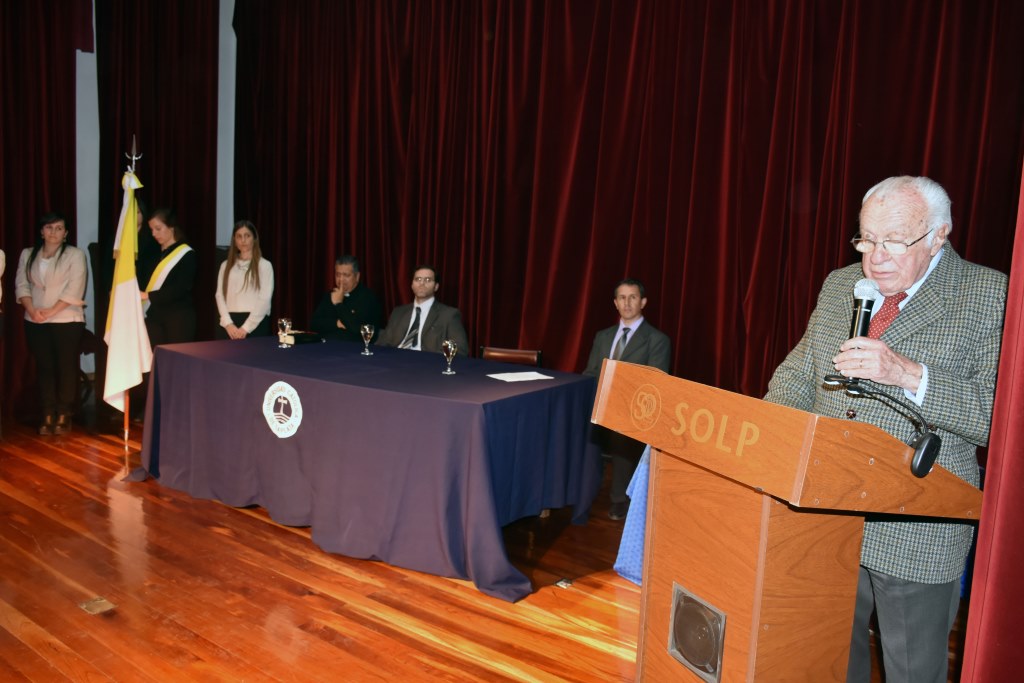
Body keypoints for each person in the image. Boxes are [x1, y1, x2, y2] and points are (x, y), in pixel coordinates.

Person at [763, 176, 1007, 683]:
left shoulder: (989, 294)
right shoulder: (841, 285)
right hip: (825, 515)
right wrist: (762, 437)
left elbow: (995, 420)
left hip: (917, 527)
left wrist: (907, 374)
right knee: (831, 664)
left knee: (912, 672)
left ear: (938, 236)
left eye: (894, 241)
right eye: (866, 239)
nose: (875, 258)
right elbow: (798, 375)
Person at [583, 278, 671, 520]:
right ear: (615, 303)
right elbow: (590, 373)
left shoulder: (657, 340)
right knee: (570, 424)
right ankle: (580, 492)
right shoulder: (603, 336)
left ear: (643, 302)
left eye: (633, 297)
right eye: (622, 298)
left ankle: (619, 499)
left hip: (633, 412)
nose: (627, 302)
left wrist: (619, 405)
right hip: (601, 407)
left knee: (620, 432)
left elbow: (655, 385)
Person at [14, 212, 88, 435]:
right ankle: (47, 412)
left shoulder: (75, 255)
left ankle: (64, 413)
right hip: (35, 318)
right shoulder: (28, 254)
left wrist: (52, 311)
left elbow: (75, 287)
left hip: (66, 318)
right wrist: (32, 310)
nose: (53, 232)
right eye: (49, 227)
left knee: (66, 366)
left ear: (65, 233)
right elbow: (21, 285)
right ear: (41, 231)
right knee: (45, 366)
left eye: (58, 228)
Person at [376, 265, 469, 355]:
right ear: (412, 285)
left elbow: (461, 348)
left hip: (427, 362)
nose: (422, 283)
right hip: (395, 359)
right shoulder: (398, 312)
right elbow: (382, 343)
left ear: (436, 286)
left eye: (428, 280)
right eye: (418, 279)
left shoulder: (449, 315)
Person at [138, 207, 198, 347]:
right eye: (152, 229)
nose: (154, 234)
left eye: (158, 229)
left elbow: (181, 287)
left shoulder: (187, 254)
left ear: (171, 226)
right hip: (154, 317)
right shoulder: (152, 253)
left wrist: (148, 295)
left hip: (178, 317)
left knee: (177, 358)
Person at [215, 220, 274, 339]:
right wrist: (228, 324)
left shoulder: (264, 265)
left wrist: (245, 328)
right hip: (229, 326)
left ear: (254, 238)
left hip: (255, 325)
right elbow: (219, 295)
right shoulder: (225, 265)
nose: (243, 240)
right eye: (239, 236)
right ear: (234, 240)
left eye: (247, 236)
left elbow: (264, 299)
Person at [310, 255, 383, 342]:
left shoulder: (368, 297)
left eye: (346, 275)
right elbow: (314, 324)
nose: (341, 280)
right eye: (338, 275)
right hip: (326, 345)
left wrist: (338, 304)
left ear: (357, 276)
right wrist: (337, 323)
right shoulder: (330, 295)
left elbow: (357, 329)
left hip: (354, 348)